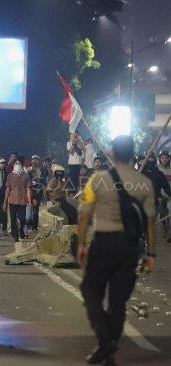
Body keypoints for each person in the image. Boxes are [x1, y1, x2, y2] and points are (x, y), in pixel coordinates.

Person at [77, 135, 155, 365]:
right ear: (132, 153)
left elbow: (84, 214)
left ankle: (104, 339)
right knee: (118, 301)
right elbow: (150, 222)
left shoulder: (97, 179)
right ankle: (109, 349)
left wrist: (81, 244)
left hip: (103, 244)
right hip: (131, 247)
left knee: (91, 294)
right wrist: (150, 254)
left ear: (111, 153)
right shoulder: (145, 183)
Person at [3, 159, 32, 246]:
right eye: (16, 163)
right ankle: (15, 236)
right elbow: (8, 189)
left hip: (22, 201)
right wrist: (5, 202)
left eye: (19, 163)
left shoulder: (26, 176)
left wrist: (29, 201)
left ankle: (21, 229)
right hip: (12, 200)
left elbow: (28, 189)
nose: (17, 165)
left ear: (22, 165)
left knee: (23, 219)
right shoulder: (10, 176)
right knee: (12, 219)